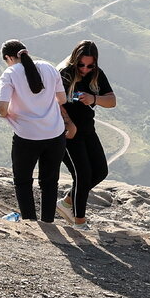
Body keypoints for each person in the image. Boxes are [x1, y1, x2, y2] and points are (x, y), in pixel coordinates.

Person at [0, 39, 76, 223]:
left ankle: (30, 222)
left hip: (27, 137)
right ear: (26, 51)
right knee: (49, 182)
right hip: (55, 135)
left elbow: (1, 108)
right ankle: (48, 222)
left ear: (8, 58)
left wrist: (9, 114)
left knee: (23, 181)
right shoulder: (49, 67)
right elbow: (62, 99)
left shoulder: (9, 73)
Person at [55, 40, 117, 230]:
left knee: (100, 171)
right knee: (83, 174)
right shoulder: (64, 73)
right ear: (75, 60)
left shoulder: (96, 74)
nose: (85, 68)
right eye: (81, 64)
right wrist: (69, 124)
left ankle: (66, 203)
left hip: (88, 129)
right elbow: (53, 102)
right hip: (69, 133)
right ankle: (79, 221)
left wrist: (94, 99)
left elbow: (112, 101)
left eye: (90, 65)